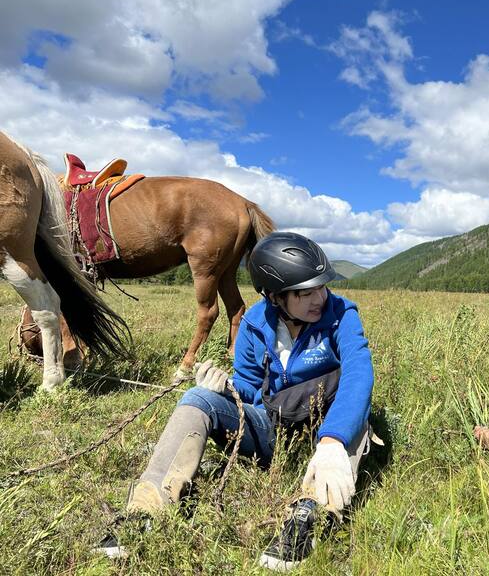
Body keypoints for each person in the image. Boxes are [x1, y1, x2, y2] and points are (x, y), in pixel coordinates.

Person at [97, 232, 374, 571]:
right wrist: (223, 389)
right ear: (274, 297)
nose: (319, 297)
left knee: (357, 417)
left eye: (322, 286)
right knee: (198, 397)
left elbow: (359, 374)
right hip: (272, 427)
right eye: (305, 293)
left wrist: (333, 440)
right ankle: (148, 507)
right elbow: (248, 387)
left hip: (324, 429)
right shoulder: (254, 324)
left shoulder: (342, 314)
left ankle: (312, 512)